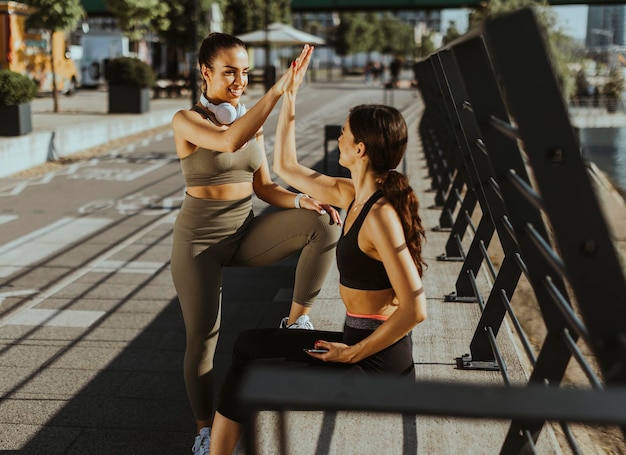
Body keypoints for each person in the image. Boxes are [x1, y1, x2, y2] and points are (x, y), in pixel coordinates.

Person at [208, 45, 428, 455]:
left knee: (255, 376)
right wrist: (290, 95)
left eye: (344, 133)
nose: (339, 137)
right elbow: (288, 167)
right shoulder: (352, 193)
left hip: (377, 368)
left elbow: (417, 309)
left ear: (359, 150)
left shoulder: (380, 216)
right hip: (356, 346)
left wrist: (351, 355)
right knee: (247, 345)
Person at [170, 35, 342, 455]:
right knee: (203, 337)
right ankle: (204, 430)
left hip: (244, 232)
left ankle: (296, 323)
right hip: (200, 243)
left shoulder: (250, 120)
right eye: (229, 71)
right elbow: (228, 141)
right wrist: (277, 92)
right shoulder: (185, 121)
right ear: (205, 72)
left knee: (324, 224)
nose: (239, 81)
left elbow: (265, 187)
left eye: (245, 72)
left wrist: (302, 200)